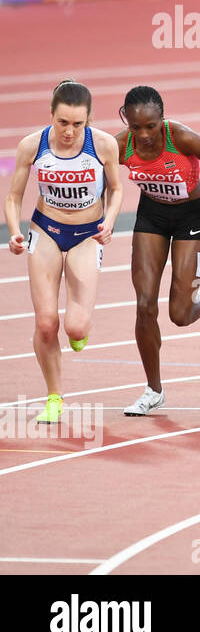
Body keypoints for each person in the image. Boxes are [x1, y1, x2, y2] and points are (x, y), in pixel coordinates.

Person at [4, 81, 123, 424]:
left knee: (74, 326)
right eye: (63, 123)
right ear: (51, 116)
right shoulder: (32, 146)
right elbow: (13, 196)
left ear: (88, 120)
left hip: (87, 234)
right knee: (45, 323)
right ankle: (54, 397)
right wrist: (14, 231)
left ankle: (79, 330)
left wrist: (110, 222)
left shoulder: (102, 145)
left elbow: (116, 191)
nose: (69, 132)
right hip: (46, 230)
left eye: (77, 124)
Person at [116, 86, 200, 416]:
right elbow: (101, 178)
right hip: (151, 215)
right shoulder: (119, 145)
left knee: (180, 315)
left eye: (151, 126)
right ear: (127, 122)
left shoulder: (181, 138)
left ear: (162, 120)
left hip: (190, 217)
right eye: (136, 127)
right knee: (144, 305)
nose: (143, 135)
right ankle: (153, 389)